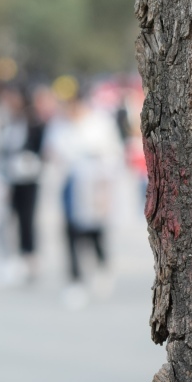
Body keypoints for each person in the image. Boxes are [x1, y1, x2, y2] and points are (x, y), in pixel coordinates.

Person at [44, 83, 124, 307]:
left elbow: (113, 153)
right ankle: (75, 279)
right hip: (70, 185)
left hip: (95, 185)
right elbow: (51, 151)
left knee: (94, 231)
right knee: (70, 232)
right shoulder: (59, 125)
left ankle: (102, 264)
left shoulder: (100, 123)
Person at [0, 84, 45, 283]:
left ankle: (29, 257)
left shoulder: (33, 123)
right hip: (11, 178)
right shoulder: (7, 123)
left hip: (29, 177)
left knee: (27, 219)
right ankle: (14, 257)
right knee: (10, 219)